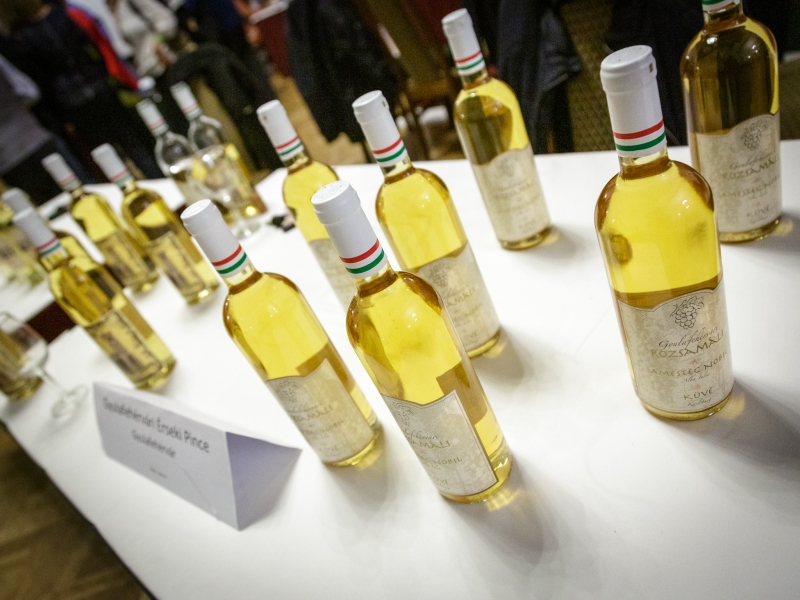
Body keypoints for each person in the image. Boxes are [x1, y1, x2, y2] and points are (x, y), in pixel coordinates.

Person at [0, 0, 162, 178]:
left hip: (72, 104)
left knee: (106, 158)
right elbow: (92, 46)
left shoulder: (21, 37)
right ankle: (157, 180)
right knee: (135, 144)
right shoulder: (59, 13)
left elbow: (40, 82)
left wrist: (59, 117)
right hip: (99, 87)